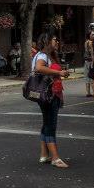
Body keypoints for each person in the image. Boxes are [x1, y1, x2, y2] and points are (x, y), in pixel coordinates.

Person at [32, 33, 70, 168]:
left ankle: (44, 154)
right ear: (46, 41)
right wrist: (59, 73)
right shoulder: (42, 56)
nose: (57, 42)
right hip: (48, 94)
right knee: (50, 125)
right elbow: (39, 68)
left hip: (50, 94)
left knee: (47, 123)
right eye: (55, 39)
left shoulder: (47, 56)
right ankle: (55, 157)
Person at [83, 31, 94, 96]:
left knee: (87, 77)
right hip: (90, 61)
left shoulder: (85, 42)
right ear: (89, 35)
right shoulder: (91, 43)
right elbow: (92, 53)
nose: (93, 35)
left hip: (86, 61)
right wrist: (93, 61)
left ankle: (88, 92)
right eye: (92, 35)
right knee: (92, 77)